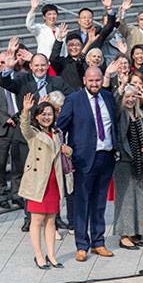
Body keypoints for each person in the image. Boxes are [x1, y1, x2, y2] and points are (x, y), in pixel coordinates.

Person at [57, 67, 117, 262]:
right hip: (83, 159)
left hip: (105, 156)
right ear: (84, 80)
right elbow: (60, 127)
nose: (94, 84)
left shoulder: (108, 97)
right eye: (91, 81)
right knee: (82, 202)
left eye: (98, 80)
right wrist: (63, 147)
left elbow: (113, 124)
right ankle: (82, 245)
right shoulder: (74, 99)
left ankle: (98, 242)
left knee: (99, 203)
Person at [18, 93, 72, 269]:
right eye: (43, 114)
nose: (47, 117)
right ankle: (39, 256)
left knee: (51, 220)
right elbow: (24, 127)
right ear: (37, 116)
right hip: (38, 183)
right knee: (37, 220)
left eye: (50, 114)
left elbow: (64, 153)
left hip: (54, 182)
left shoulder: (57, 133)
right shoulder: (33, 133)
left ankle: (52, 255)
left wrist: (67, 150)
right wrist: (26, 111)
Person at [113, 84, 143, 250]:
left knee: (140, 198)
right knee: (126, 200)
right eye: (127, 96)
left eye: (133, 96)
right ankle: (124, 235)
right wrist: (120, 88)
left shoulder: (141, 114)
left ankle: (137, 232)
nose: (130, 99)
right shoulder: (120, 114)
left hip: (141, 161)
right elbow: (116, 106)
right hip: (124, 161)